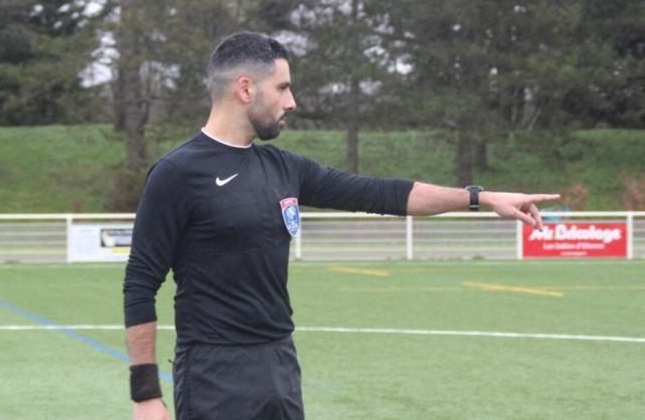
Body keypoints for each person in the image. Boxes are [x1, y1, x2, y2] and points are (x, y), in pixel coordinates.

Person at [123, 31, 559, 420]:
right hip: (214, 372)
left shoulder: (283, 167)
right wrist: (146, 394)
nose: (291, 102)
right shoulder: (177, 173)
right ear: (244, 88)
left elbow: (382, 193)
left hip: (280, 362)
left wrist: (480, 198)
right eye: (283, 88)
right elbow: (141, 282)